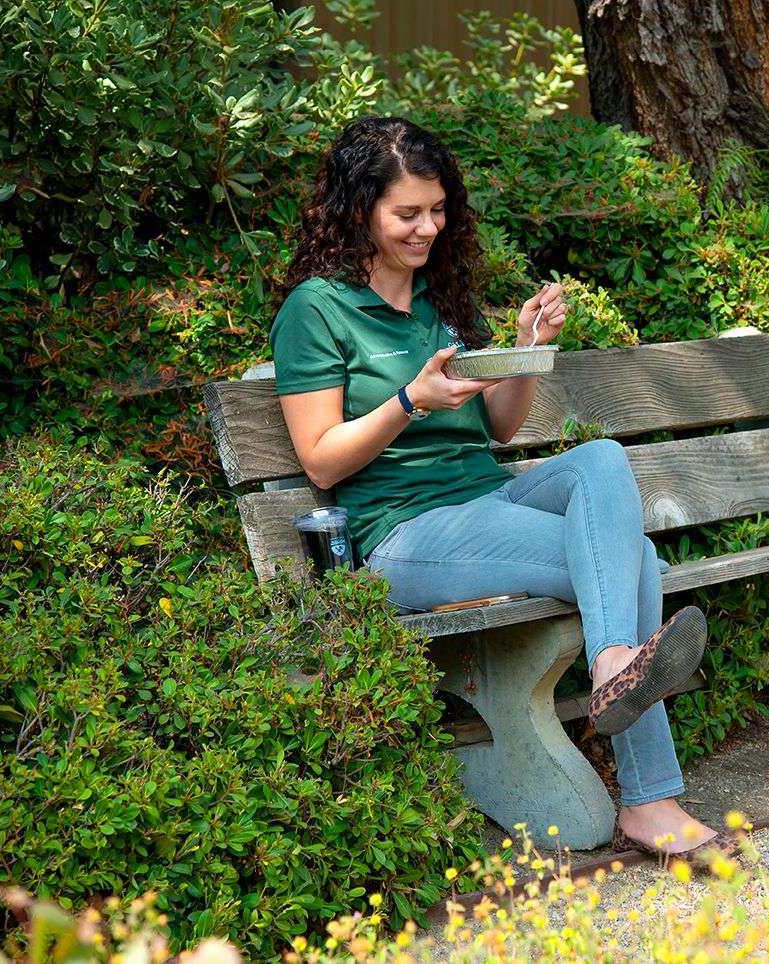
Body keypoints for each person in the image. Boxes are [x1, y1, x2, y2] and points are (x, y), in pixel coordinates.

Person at [271, 116, 730, 858]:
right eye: (408, 214)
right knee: (634, 562)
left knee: (602, 458)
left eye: (438, 209)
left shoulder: (441, 297)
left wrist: (523, 353)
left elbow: (499, 430)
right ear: (359, 212)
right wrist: (409, 401)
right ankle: (650, 797)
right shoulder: (315, 310)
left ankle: (614, 666)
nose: (428, 228)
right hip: (401, 531)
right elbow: (322, 461)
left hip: (485, 499)